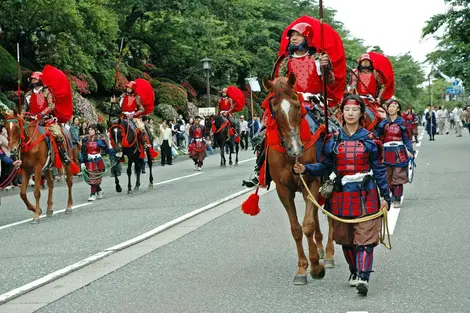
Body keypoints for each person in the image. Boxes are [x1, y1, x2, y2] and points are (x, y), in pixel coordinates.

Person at [293, 94, 391, 296]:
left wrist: (386, 196)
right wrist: (305, 169)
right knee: (346, 239)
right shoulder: (332, 140)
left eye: (355, 110)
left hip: (366, 193)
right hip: (340, 195)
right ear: (342, 113)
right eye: (347, 110)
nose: (351, 113)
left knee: (364, 237)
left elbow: (379, 169)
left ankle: (364, 276)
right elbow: (325, 166)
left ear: (361, 113)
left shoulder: (371, 139)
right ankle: (354, 270)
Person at [243, 21, 333, 187]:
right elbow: (277, 84)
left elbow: (329, 82)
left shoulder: (318, 58)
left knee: (330, 130)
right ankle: (260, 169)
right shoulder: (284, 62)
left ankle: (329, 171)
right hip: (289, 100)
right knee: (264, 132)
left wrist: (326, 68)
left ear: (307, 37)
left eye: (298, 35)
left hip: (313, 102)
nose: (294, 38)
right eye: (292, 36)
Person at [24, 71, 71, 165]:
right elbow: (24, 108)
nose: (33, 81)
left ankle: (63, 154)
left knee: (58, 134)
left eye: (35, 79)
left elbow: (51, 106)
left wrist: (41, 114)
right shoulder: (28, 95)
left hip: (46, 120)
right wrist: (22, 115)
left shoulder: (47, 92)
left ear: (40, 80)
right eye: (32, 79)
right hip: (32, 121)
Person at [375, 100, 415, 208]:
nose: (391, 108)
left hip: (399, 152)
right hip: (386, 152)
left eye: (393, 107)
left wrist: (410, 151)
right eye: (389, 107)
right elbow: (376, 136)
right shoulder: (383, 123)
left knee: (398, 175)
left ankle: (397, 198)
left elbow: (407, 139)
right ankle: (390, 195)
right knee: (387, 176)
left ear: (398, 109)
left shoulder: (402, 123)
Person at [111, 81, 154, 150]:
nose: (128, 89)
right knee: (113, 126)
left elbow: (142, 109)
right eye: (127, 87)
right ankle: (116, 144)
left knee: (141, 128)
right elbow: (119, 107)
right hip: (123, 116)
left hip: (133, 117)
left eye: (129, 88)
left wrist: (133, 115)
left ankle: (144, 143)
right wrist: (114, 102)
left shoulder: (137, 97)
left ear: (133, 88)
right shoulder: (123, 96)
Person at [80, 124, 115, 201]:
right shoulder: (85, 140)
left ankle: (92, 194)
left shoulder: (99, 141)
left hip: (97, 161)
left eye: (92, 130)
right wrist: (82, 162)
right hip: (88, 161)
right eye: (89, 130)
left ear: (95, 131)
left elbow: (107, 150)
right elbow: (82, 152)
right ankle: (99, 190)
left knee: (94, 177)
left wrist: (116, 153)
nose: (90, 131)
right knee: (88, 178)